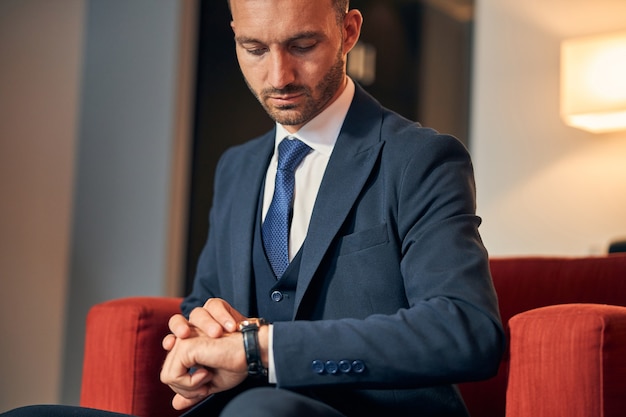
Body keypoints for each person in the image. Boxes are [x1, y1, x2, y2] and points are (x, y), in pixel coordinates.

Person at [3, 0, 504, 416]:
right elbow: (201, 302)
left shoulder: (420, 158)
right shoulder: (236, 168)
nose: (278, 75)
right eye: (254, 49)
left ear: (348, 31)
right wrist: (195, 339)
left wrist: (259, 349)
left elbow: (465, 330)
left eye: (303, 45)